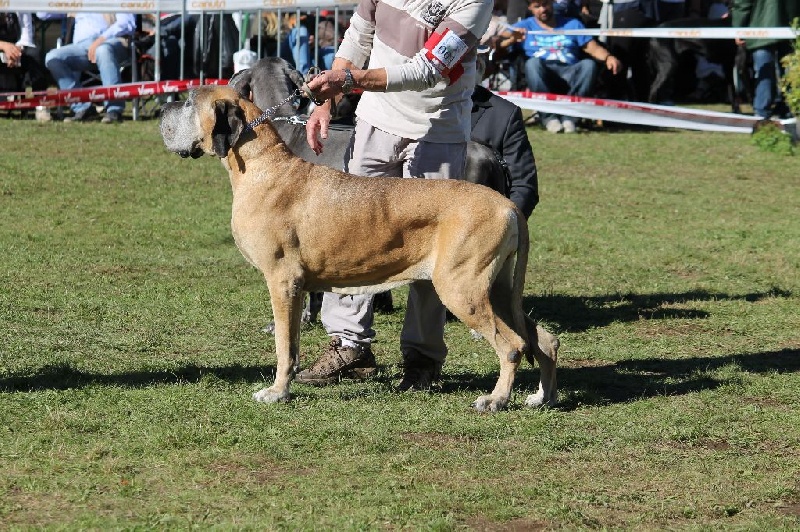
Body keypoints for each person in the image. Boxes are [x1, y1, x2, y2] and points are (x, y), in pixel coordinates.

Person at [293, 0, 493, 389]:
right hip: (374, 122)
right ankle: (348, 345)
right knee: (348, 238)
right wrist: (326, 103)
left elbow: (427, 69)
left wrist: (347, 82)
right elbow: (358, 37)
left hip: (439, 132)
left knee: (433, 249)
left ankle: (422, 358)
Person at [499, 0, 622, 133]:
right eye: (537, 6)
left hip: (570, 72)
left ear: (552, 3)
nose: (543, 9)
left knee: (588, 65)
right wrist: (512, 39)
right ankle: (549, 118)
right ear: (530, 8)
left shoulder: (573, 24)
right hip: (543, 74)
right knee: (532, 64)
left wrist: (608, 57)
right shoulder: (524, 26)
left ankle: (571, 117)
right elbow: (499, 45)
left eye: (545, 4)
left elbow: (592, 47)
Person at [37, 12, 136, 123]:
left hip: (112, 41)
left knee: (103, 50)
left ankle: (114, 110)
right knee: (52, 58)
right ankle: (82, 107)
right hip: (81, 46)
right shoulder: (77, 4)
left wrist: (100, 40)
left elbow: (127, 23)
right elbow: (42, 14)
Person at [731, 0, 800, 119]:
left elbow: (743, 3)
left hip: (760, 27)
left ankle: (762, 112)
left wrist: (738, 28)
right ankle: (789, 108)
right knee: (790, 73)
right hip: (790, 26)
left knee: (764, 71)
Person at [1, 12, 51, 93]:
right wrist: (4, 46)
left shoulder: (21, 6)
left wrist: (15, 52)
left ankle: (30, 96)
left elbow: (26, 36)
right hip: (2, 46)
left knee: (34, 55)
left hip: (15, 46)